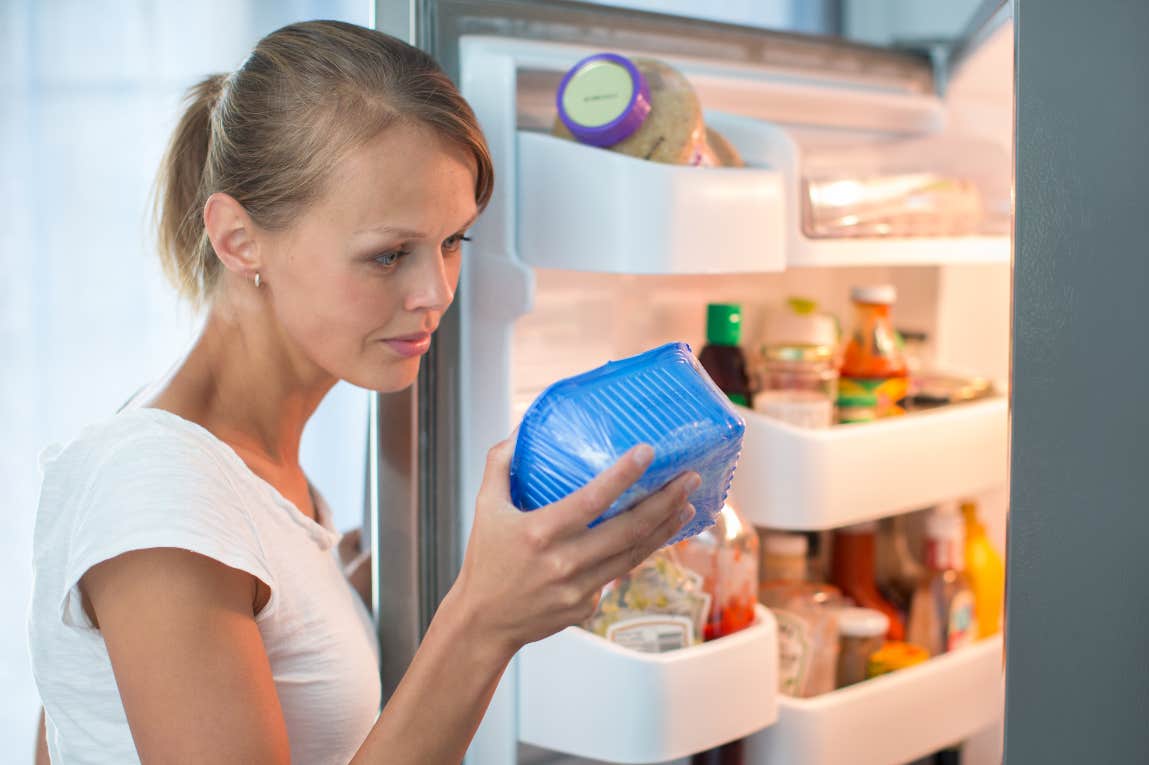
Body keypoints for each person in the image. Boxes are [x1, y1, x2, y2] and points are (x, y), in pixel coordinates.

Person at [27, 20, 698, 764]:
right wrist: (483, 621)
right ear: (239, 239)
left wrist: (353, 587)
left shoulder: (240, 473)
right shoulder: (156, 486)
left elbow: (64, 732)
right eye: (388, 255)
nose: (436, 292)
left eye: (453, 242)